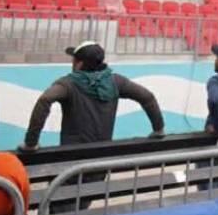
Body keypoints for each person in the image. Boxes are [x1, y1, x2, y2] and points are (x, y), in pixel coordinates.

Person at [20, 41, 165, 149]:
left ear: (79, 64)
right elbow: (147, 97)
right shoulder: (116, 81)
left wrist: (31, 143)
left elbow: (45, 99)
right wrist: (159, 129)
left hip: (70, 161)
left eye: (74, 59)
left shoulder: (68, 84)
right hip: (100, 160)